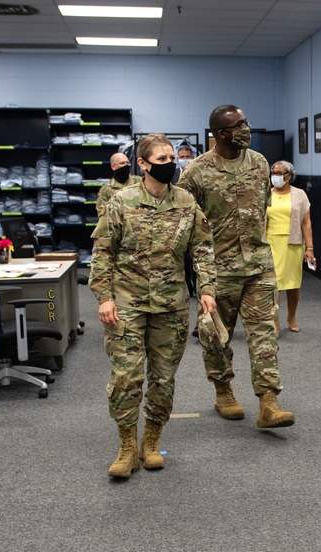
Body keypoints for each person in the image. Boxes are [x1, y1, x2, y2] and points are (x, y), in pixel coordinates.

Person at [89, 133, 217, 479]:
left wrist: (207, 289)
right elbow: (103, 251)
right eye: (161, 160)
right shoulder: (122, 201)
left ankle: (151, 441)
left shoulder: (187, 202)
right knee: (126, 377)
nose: (170, 164)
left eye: (171, 158)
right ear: (142, 164)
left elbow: (202, 248)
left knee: (162, 379)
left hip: (171, 304)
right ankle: (127, 446)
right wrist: (103, 296)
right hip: (126, 303)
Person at [177, 105, 295, 429]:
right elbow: (185, 223)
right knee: (216, 336)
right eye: (238, 125)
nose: (246, 128)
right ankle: (223, 391)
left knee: (264, 334)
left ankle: (268, 402)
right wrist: (198, 275)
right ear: (220, 134)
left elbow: (263, 208)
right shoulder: (196, 173)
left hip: (259, 264)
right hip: (218, 270)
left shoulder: (259, 163)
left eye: (246, 122)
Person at [266, 160, 315, 333]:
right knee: (276, 283)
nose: (276, 176)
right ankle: (275, 320)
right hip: (271, 242)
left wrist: (310, 248)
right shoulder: (266, 193)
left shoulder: (300, 194)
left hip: (293, 242)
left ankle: (291, 316)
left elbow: (306, 222)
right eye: (273, 172)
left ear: (289, 176)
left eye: (280, 173)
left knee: (293, 283)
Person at [96, 152, 142, 219]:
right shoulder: (106, 189)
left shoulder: (139, 182)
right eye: (122, 163)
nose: (126, 166)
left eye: (127, 163)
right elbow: (102, 213)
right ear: (113, 166)